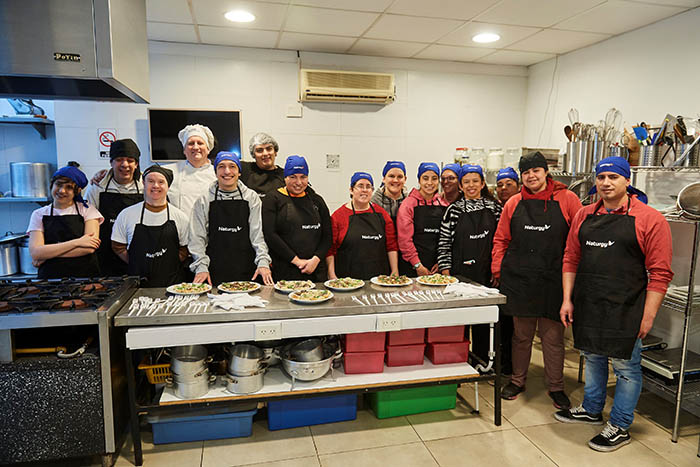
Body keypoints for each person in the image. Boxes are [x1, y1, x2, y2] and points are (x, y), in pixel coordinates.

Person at [555, 157, 673, 452]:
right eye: (601, 177)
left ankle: (620, 425)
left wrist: (648, 316)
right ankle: (591, 409)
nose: (606, 183)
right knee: (592, 357)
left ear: (627, 181)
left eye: (613, 177)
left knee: (626, 368)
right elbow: (571, 258)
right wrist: (567, 299)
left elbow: (660, 273)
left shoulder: (650, 219)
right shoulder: (584, 215)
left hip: (627, 306)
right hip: (590, 301)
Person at [492, 151, 582, 409]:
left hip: (554, 279)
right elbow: (501, 239)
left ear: (545, 172)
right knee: (521, 336)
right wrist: (498, 270)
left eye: (536, 171)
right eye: (526, 172)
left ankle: (556, 387)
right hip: (520, 279)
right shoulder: (514, 203)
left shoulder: (567, 199)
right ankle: (517, 381)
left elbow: (578, 239)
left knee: (552, 338)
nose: (531, 176)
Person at [437, 164, 502, 366]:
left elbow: (501, 241)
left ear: (482, 184)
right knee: (460, 324)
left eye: (475, 181)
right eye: (466, 182)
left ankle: (484, 365)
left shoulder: (495, 208)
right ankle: (459, 364)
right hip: (460, 276)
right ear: (461, 186)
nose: (471, 185)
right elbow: (444, 243)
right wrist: (446, 273)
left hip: (486, 275)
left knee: (484, 323)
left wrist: (497, 270)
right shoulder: (453, 210)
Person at [189, 152, 273, 286]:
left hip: (248, 269)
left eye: (232, 166)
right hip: (214, 270)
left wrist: (263, 262)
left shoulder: (251, 198)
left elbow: (258, 235)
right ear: (215, 172)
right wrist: (201, 267)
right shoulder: (204, 200)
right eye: (221, 166)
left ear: (239, 172)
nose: (227, 171)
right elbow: (197, 238)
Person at [111, 165, 190, 287]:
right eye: (151, 181)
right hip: (137, 286)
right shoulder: (127, 214)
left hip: (172, 286)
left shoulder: (180, 217)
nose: (156, 186)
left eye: (161, 182)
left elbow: (184, 250)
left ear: (168, 186)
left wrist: (167, 264)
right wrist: (137, 263)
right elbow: (118, 246)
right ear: (144, 183)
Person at [262, 155, 332, 282]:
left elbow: (327, 236)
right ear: (285, 178)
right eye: (293, 177)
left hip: (316, 270)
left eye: (303, 177)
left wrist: (315, 260)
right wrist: (297, 261)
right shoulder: (273, 199)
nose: (299, 182)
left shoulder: (317, 200)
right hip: (285, 271)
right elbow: (270, 235)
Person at [27, 163, 103, 279]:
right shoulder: (38, 214)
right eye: (58, 184)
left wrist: (47, 255)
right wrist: (77, 242)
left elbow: (89, 247)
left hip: (85, 278)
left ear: (77, 191)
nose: (62, 191)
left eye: (69, 187)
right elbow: (35, 253)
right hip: (50, 280)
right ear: (52, 185)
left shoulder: (88, 210)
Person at [84, 138, 143, 276]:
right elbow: (87, 221)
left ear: (136, 164)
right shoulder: (97, 187)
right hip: (105, 255)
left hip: (137, 252)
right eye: (119, 159)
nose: (125, 164)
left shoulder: (145, 186)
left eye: (130, 160)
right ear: (111, 162)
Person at [327, 172, 399, 280]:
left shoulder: (382, 214)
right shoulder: (338, 216)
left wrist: (395, 271)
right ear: (351, 190)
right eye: (360, 186)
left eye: (368, 187)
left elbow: (391, 245)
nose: (365, 190)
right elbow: (330, 249)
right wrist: (332, 275)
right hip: (348, 281)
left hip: (379, 279)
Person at [397, 162, 448, 277]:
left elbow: (447, 239)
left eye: (434, 178)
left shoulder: (444, 204)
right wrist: (417, 265)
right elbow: (404, 240)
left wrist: (441, 263)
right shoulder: (408, 204)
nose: (430, 183)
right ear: (419, 180)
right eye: (425, 178)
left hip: (436, 269)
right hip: (411, 267)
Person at [166, 124, 219, 217]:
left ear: (208, 149)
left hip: (208, 224)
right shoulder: (170, 171)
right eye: (190, 143)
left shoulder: (217, 173)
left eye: (200, 143)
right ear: (184, 150)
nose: (195, 147)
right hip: (180, 223)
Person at [371, 161, 409, 273]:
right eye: (391, 176)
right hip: (380, 256)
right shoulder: (373, 203)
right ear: (384, 179)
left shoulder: (409, 202)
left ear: (405, 179)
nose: (395, 180)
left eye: (400, 177)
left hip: (405, 257)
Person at [240, 132, 285, 197]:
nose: (265, 153)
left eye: (269, 149)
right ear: (253, 155)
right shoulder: (245, 170)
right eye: (259, 150)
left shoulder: (285, 176)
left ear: (275, 152)